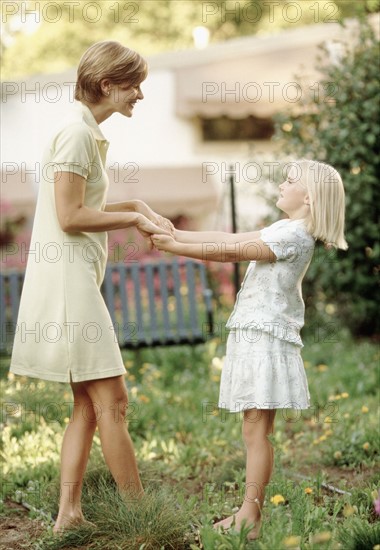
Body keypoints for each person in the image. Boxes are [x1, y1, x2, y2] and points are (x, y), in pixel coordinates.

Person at [9, 41, 173, 532]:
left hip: (74, 281)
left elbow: (79, 209)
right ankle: (143, 519)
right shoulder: (76, 136)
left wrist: (136, 206)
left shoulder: (83, 132)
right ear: (108, 85)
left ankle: (69, 515)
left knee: (88, 404)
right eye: (134, 85)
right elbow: (70, 215)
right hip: (69, 288)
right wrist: (134, 215)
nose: (139, 95)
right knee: (113, 402)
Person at [152, 159, 348, 540]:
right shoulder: (285, 228)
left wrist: (175, 246)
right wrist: (177, 233)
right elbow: (229, 239)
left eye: (289, 181)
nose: (281, 184)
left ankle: (250, 517)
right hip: (258, 336)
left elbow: (232, 253)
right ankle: (250, 514)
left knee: (256, 433)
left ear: (307, 197)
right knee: (256, 433)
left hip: (265, 340)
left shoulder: (294, 237)